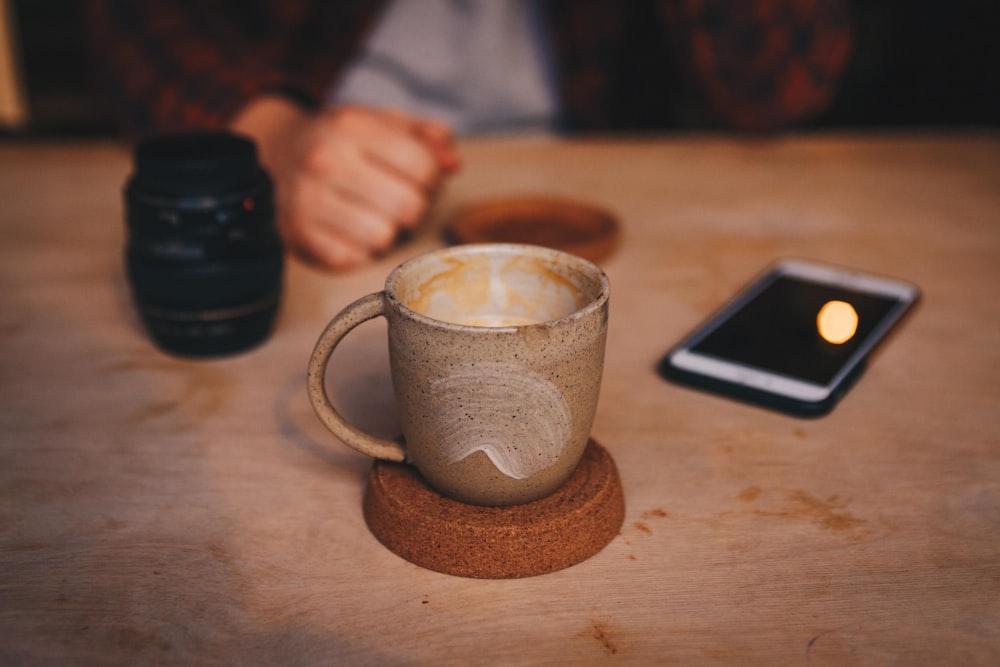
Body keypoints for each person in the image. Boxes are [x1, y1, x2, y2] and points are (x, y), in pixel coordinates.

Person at [85, 0, 852, 271]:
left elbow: (778, 86)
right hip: (324, 170)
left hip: (606, 175)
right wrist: (269, 138)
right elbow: (137, 17)